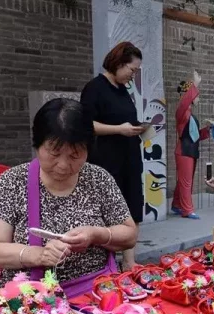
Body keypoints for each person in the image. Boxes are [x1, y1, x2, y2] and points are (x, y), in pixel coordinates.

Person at [0, 98, 137, 297]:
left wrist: (95, 235)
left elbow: (130, 235)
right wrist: (38, 255)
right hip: (31, 300)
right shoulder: (13, 181)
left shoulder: (99, 179)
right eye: (54, 153)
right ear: (37, 145)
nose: (63, 165)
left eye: (74, 156)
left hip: (95, 294)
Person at [80, 42, 144, 271]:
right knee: (107, 211)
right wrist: (119, 129)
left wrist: (137, 129)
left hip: (130, 156)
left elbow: (126, 119)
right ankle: (104, 263)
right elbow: (85, 124)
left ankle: (129, 261)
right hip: (106, 159)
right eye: (132, 70)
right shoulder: (94, 88)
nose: (132, 76)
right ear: (118, 63)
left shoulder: (123, 90)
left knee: (133, 206)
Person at [171, 70, 213, 220]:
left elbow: (195, 137)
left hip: (190, 150)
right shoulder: (181, 112)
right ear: (188, 95)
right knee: (186, 182)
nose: (198, 98)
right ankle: (187, 210)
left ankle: (176, 204)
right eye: (196, 95)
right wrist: (194, 85)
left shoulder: (190, 115)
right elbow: (184, 102)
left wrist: (207, 130)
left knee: (184, 181)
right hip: (184, 151)